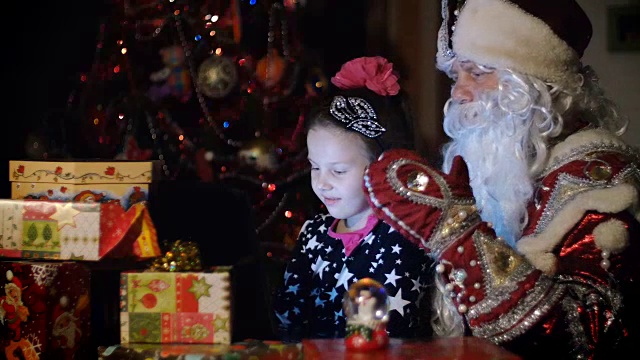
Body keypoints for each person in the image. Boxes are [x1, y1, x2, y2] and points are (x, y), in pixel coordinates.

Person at [363, 0, 640, 359]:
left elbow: (584, 336)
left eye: (477, 73)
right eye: (455, 75)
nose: (458, 93)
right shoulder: (491, 162)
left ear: (536, 85)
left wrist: (456, 230)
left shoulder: (601, 183)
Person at [272, 56, 434, 342]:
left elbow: (398, 333)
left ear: (383, 166)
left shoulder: (402, 238)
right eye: (315, 167)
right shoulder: (313, 233)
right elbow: (287, 317)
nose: (322, 183)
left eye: (338, 170)